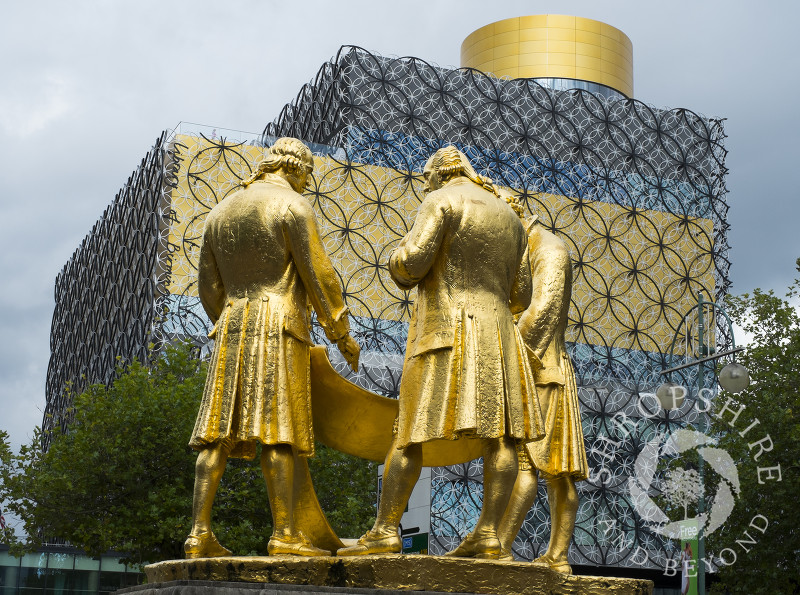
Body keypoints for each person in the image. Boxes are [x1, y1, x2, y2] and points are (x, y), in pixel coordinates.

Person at [339, 146, 543, 559]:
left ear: (436, 173)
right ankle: (488, 533)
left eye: (426, 179)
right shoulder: (511, 217)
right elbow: (522, 293)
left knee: (409, 431)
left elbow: (411, 265)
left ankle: (384, 530)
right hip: (499, 336)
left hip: (445, 330)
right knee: (499, 437)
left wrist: (394, 255)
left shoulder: (441, 199)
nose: (426, 185)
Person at [185, 137, 360, 558]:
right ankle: (285, 533)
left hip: (232, 326)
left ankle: (198, 532)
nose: (305, 183)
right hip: (279, 324)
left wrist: (229, 321)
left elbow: (208, 286)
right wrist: (340, 333)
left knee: (215, 435)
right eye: (307, 174)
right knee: (280, 431)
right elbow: (320, 275)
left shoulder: (220, 212)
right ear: (297, 168)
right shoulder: (293, 207)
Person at [497, 210, 589, 574]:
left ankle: (499, 545)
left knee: (527, 461)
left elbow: (544, 310)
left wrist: (511, 358)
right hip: (549, 368)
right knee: (556, 471)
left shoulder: (548, 248)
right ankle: (557, 555)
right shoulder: (538, 247)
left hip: (539, 370)